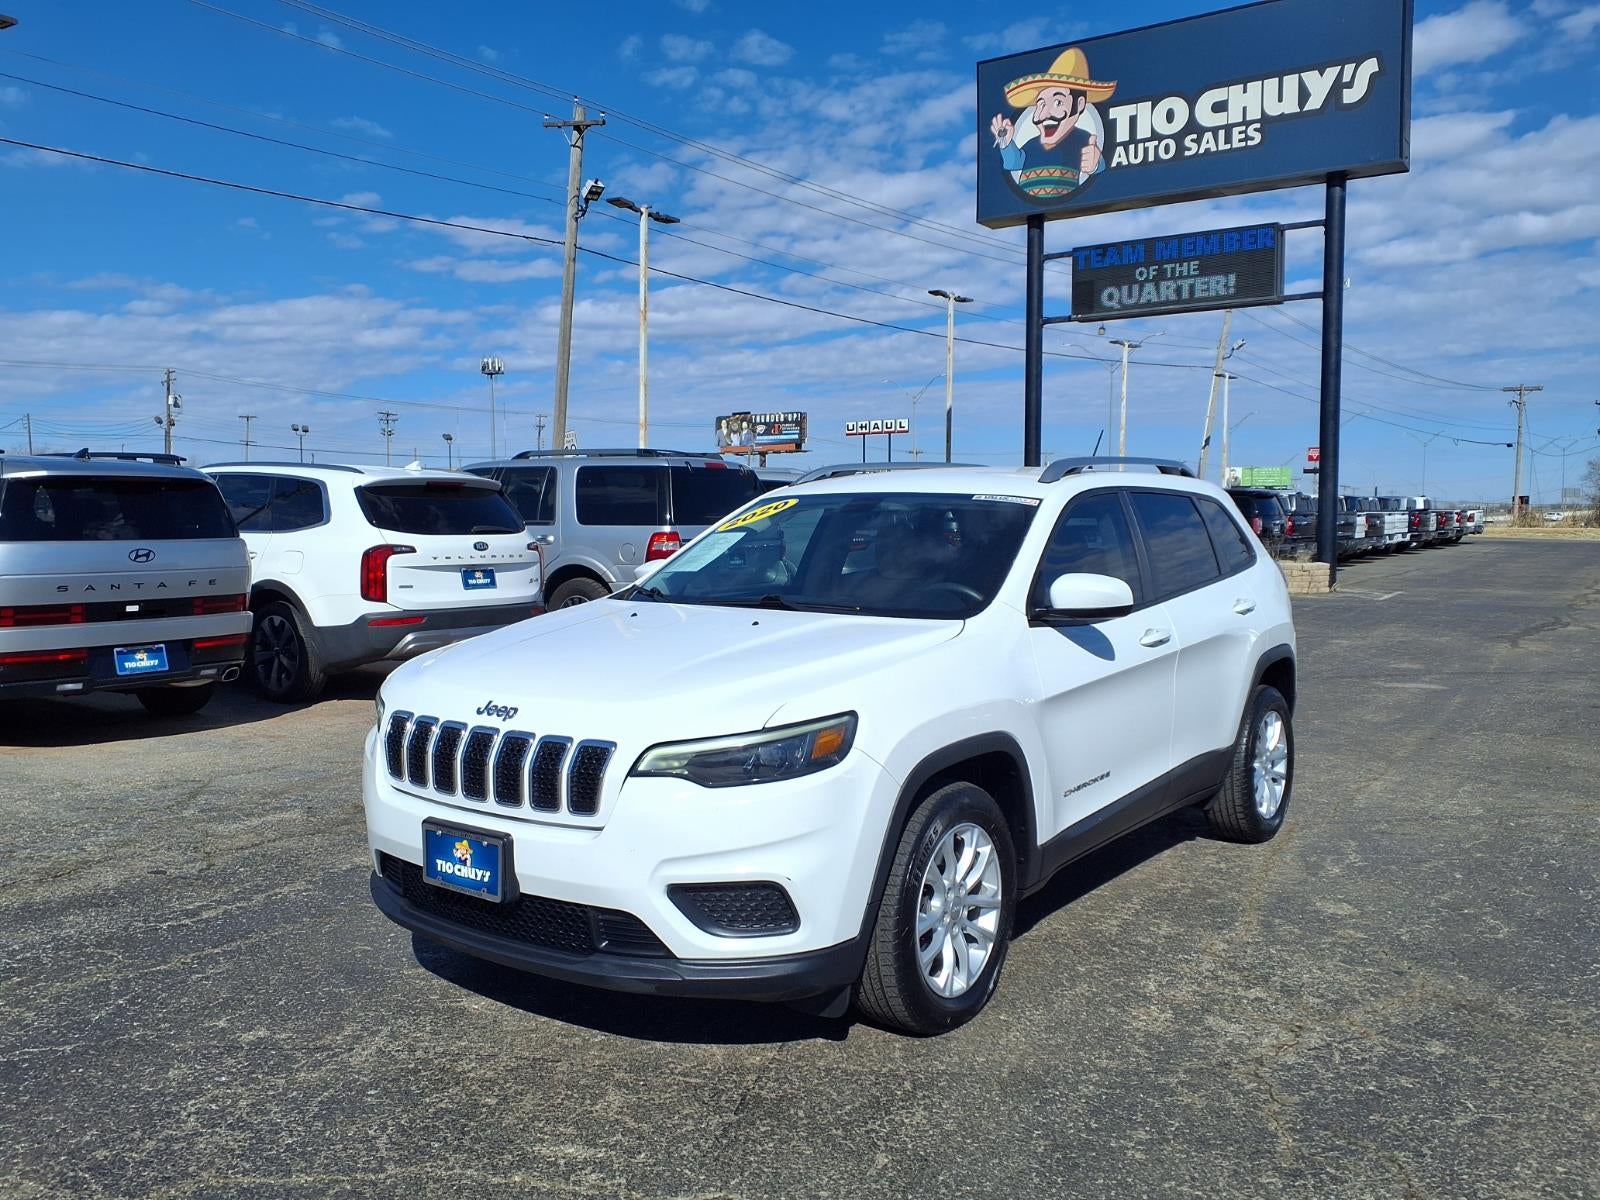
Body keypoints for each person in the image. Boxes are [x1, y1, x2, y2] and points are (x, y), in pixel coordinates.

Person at [989, 47, 1116, 202]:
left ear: (1080, 104)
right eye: (1041, 104)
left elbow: (1098, 165)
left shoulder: (1083, 140)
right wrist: (1006, 143)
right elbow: (1013, 164)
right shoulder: (1031, 145)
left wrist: (1095, 165)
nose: (1045, 113)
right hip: (1030, 205)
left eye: (1058, 102)